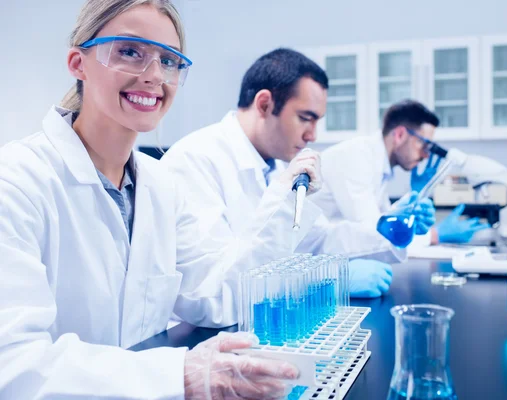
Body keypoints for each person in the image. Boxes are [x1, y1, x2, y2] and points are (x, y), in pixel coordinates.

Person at [0, 1, 301, 398]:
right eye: (129, 52)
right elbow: (15, 365)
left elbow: (212, 297)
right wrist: (180, 375)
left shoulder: (162, 185)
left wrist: (284, 202)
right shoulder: (17, 181)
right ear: (78, 63)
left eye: (169, 60)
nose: (155, 76)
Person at [161, 49, 435, 299]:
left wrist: (387, 229)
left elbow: (318, 240)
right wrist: (330, 280)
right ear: (265, 104)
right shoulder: (196, 160)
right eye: (305, 118)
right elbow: (209, 291)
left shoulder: (277, 164)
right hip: (203, 340)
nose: (312, 135)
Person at [311, 100, 491, 247]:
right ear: (399, 135)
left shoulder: (379, 166)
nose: (425, 155)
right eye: (424, 144)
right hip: (308, 264)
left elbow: (385, 220)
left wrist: (417, 194)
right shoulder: (355, 157)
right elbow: (375, 233)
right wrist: (435, 235)